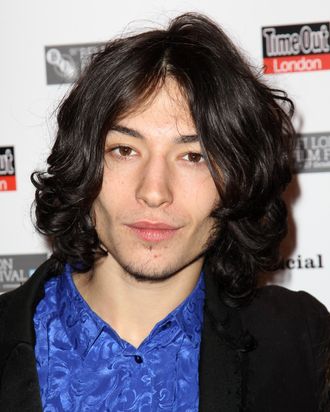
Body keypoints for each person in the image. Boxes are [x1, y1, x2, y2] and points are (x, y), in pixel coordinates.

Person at [0, 12, 329, 412]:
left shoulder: (297, 340)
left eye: (194, 156)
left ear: (239, 179)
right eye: (125, 150)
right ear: (84, 164)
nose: (154, 192)